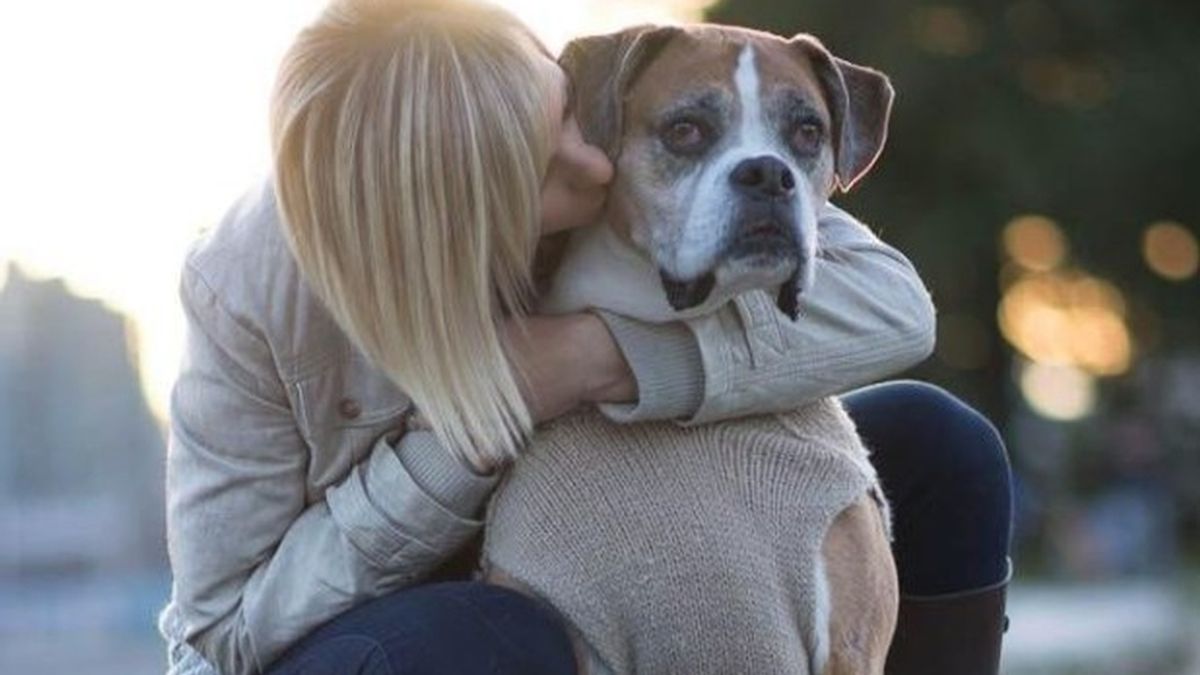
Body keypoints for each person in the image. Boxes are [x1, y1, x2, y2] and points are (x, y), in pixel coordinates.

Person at [158, 0, 1012, 673]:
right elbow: (227, 629)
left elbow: (895, 304)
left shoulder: (618, 129)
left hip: (586, 527)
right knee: (474, 635)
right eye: (550, 155)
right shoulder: (244, 293)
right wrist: (478, 424)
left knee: (939, 442)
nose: (598, 161)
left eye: (575, 112)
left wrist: (597, 358)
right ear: (459, 206)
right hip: (376, 631)